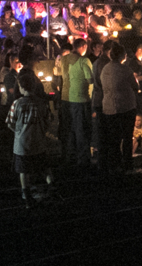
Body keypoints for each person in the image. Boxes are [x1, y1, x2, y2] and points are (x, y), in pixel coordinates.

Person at [6, 73, 56, 207]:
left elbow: (10, 122)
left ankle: (27, 197)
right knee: (45, 167)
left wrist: (18, 132)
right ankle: (52, 189)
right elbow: (48, 121)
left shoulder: (17, 103)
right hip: (39, 143)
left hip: (22, 145)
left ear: (21, 88)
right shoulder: (41, 103)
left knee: (24, 171)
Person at [100, 43, 139, 176]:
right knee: (127, 138)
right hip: (126, 106)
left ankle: (114, 166)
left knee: (114, 139)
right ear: (122, 55)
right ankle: (128, 166)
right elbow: (135, 86)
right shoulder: (125, 69)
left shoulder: (105, 68)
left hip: (109, 107)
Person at [60, 38, 93, 170]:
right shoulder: (84, 60)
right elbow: (90, 79)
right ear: (83, 46)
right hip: (80, 99)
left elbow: (59, 74)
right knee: (82, 131)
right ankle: (83, 160)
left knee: (68, 129)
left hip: (65, 98)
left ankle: (68, 157)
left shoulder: (64, 59)